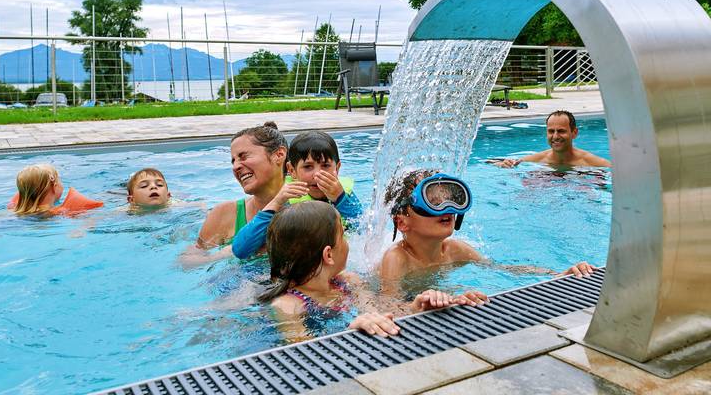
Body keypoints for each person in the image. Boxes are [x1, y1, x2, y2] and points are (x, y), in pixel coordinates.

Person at [259, 201, 486, 342]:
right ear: (328, 255)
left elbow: (380, 311)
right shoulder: (288, 306)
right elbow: (303, 354)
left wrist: (420, 306)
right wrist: (350, 329)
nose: (348, 243)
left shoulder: (348, 282)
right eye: (343, 236)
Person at [379, 170, 594, 291]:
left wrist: (558, 274)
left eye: (451, 197)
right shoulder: (397, 259)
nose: (448, 207)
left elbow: (505, 270)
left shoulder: (455, 250)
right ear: (402, 223)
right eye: (433, 201)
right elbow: (387, 307)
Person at [231, 131, 362, 259]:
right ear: (292, 171)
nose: (317, 174)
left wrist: (340, 199)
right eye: (308, 167)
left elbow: (365, 232)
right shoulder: (287, 201)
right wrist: (276, 203)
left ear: (337, 168)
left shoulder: (345, 196)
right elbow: (240, 250)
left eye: (326, 165)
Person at [180, 122, 292, 266]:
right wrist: (224, 254)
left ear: (279, 155)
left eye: (243, 157)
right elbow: (186, 263)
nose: (236, 166)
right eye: (233, 161)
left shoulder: (309, 207)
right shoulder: (225, 214)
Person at [494, 110, 611, 168]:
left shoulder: (593, 163)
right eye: (551, 131)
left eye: (561, 131)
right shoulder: (536, 159)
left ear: (574, 133)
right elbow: (493, 162)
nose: (555, 136)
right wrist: (502, 164)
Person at [8, 164, 103, 216]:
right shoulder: (57, 212)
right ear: (54, 186)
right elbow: (93, 217)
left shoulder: (15, 209)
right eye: (59, 179)